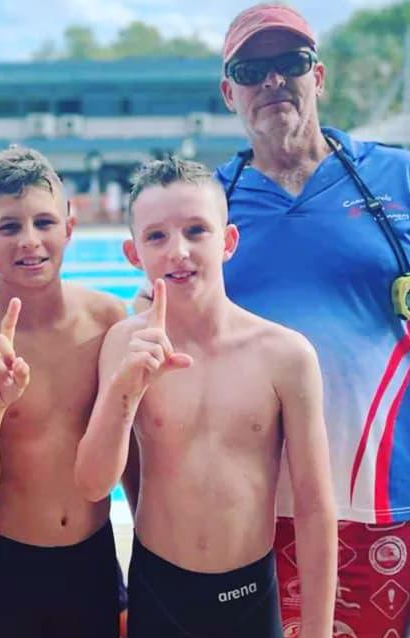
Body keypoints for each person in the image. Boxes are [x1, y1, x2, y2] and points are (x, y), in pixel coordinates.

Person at [139, 3, 410, 636]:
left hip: (381, 508)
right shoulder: (206, 211)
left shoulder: (407, 184)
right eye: (251, 70)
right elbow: (151, 347)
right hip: (247, 522)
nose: (273, 80)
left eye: (292, 62)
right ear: (229, 93)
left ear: (320, 76)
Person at [81, 157, 336, 638]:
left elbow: (314, 507)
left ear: (228, 241)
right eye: (156, 236)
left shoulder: (286, 355)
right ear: (134, 253)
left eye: (196, 230)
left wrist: (318, 631)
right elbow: (95, 485)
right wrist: (124, 391)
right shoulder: (124, 344)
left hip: (249, 597)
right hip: (159, 590)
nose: (178, 251)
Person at [0, 146, 127, 638]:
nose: (30, 241)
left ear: (70, 226)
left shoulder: (108, 319)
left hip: (93, 563)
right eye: (8, 227)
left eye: (44, 222)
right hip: (4, 572)